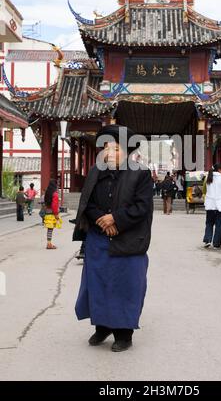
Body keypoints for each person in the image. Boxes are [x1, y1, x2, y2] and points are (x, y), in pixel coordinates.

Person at [73, 125, 153, 353]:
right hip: (99, 238)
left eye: (115, 148)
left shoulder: (141, 173)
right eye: (106, 148)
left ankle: (124, 334)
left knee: (126, 286)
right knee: (98, 284)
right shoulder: (95, 172)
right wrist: (102, 220)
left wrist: (116, 219)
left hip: (128, 238)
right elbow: (87, 203)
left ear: (127, 152)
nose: (109, 153)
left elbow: (142, 207)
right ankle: (103, 326)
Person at [202, 163, 221, 249]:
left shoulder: (207, 177)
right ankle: (216, 243)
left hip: (210, 204)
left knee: (209, 223)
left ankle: (207, 240)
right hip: (220, 205)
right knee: (219, 225)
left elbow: (204, 190)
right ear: (220, 169)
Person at [44, 180, 61, 250]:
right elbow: (54, 205)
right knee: (50, 229)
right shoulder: (55, 194)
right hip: (52, 213)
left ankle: (49, 243)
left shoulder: (47, 193)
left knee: (49, 229)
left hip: (47, 212)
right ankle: (49, 244)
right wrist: (56, 214)